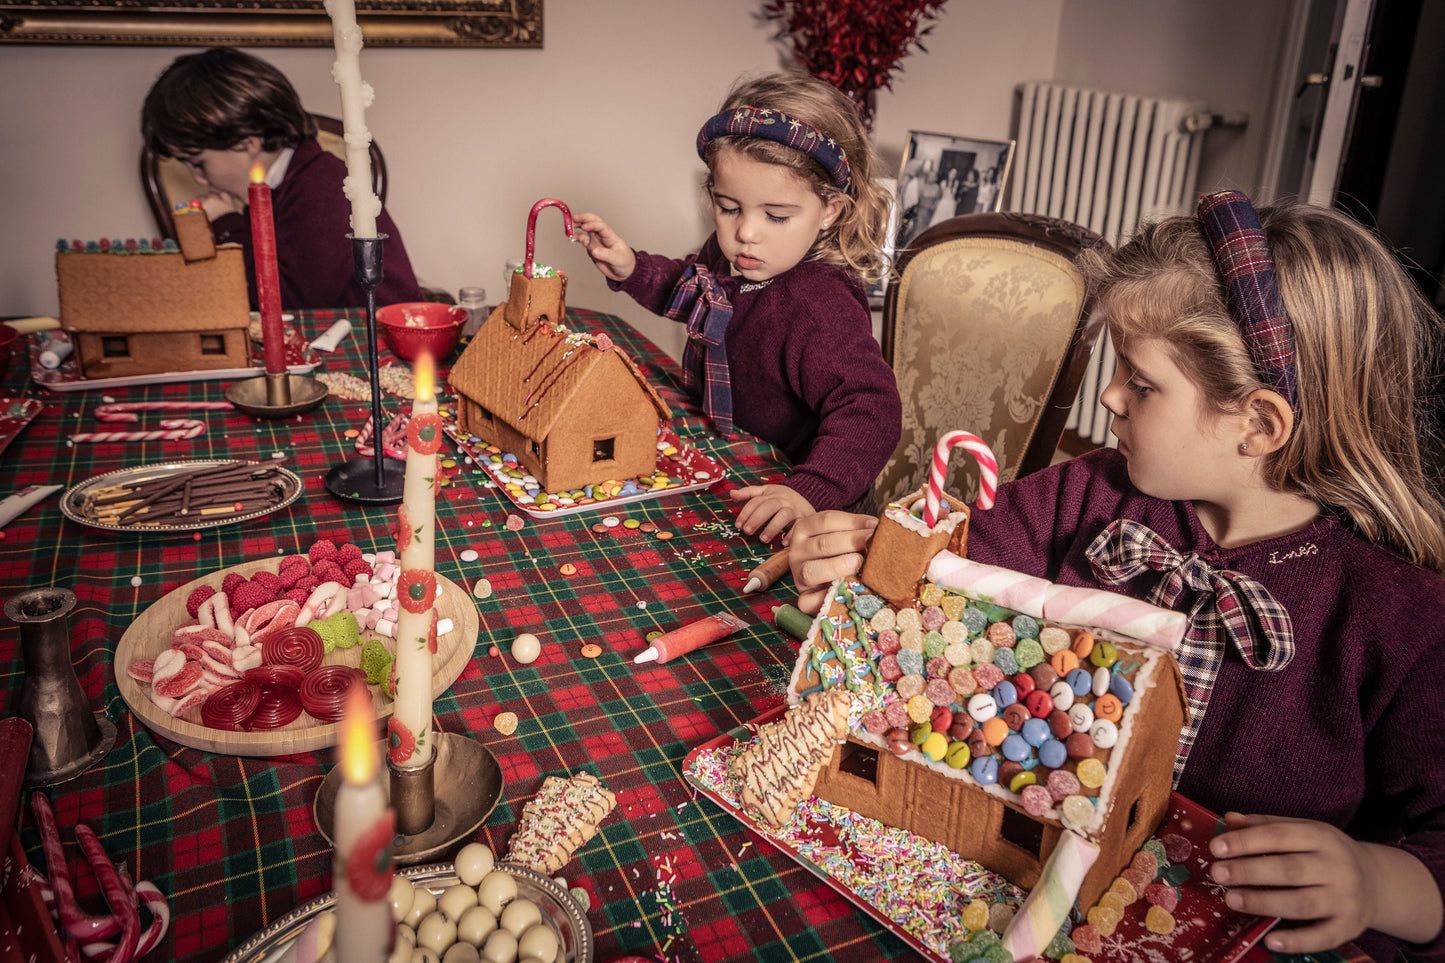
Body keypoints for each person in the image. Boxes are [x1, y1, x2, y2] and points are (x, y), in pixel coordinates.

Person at [788, 193, 1445, 962]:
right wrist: (876, 551)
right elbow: (951, 573)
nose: (1107, 398)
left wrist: (1377, 879)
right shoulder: (1086, 494)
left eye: (1139, 383)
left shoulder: (1399, 616)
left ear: (1257, 424)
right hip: (1004, 882)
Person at [576, 70, 902, 545]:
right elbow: (690, 289)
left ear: (831, 210)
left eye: (776, 215)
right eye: (730, 207)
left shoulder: (820, 303)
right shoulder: (735, 257)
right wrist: (630, 267)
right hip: (741, 457)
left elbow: (871, 409)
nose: (746, 232)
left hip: (813, 506)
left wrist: (807, 492)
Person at [141, 47, 422, 310]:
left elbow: (291, 298)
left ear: (248, 142)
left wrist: (226, 224)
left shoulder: (323, 185)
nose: (199, 179)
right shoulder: (284, 185)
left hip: (376, 346)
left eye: (198, 163)